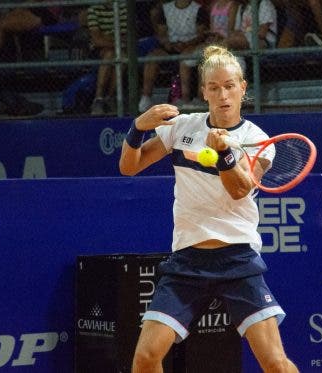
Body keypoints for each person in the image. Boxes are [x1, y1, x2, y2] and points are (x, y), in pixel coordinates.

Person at [119, 44, 299, 373]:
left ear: (243, 88)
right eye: (214, 88)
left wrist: (225, 156)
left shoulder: (256, 139)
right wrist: (138, 128)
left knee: (274, 362)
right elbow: (130, 167)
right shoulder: (183, 127)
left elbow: (239, 190)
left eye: (230, 86)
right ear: (204, 92)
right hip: (188, 260)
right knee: (145, 358)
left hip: (237, 260)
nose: (223, 95)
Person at [138, 0, 209, 113]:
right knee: (153, 57)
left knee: (189, 55)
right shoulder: (165, 9)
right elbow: (161, 34)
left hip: (191, 46)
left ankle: (185, 99)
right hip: (170, 48)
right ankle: (146, 98)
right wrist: (168, 44)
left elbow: (201, 35)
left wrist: (186, 44)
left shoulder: (199, 9)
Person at [179, 0, 239, 109]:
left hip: (224, 43)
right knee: (184, 60)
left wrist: (219, 37)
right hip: (212, 41)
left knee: (204, 62)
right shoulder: (214, 5)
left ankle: (201, 97)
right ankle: (185, 99)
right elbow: (211, 29)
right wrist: (210, 36)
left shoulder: (232, 5)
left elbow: (231, 30)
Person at [87, 1, 128, 115]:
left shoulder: (124, 8)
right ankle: (99, 98)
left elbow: (125, 37)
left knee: (121, 56)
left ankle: (109, 98)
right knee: (110, 54)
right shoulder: (94, 9)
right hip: (99, 51)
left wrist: (106, 39)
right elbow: (96, 39)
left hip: (120, 49)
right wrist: (113, 42)